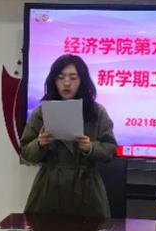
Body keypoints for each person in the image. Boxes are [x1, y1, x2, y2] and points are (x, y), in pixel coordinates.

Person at [20, 54, 117, 219]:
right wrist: (40, 144)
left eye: (73, 78)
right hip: (49, 188)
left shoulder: (96, 112)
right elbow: (25, 152)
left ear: (82, 80)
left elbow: (111, 149)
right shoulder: (42, 111)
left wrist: (91, 148)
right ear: (53, 81)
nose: (66, 83)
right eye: (60, 77)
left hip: (86, 189)